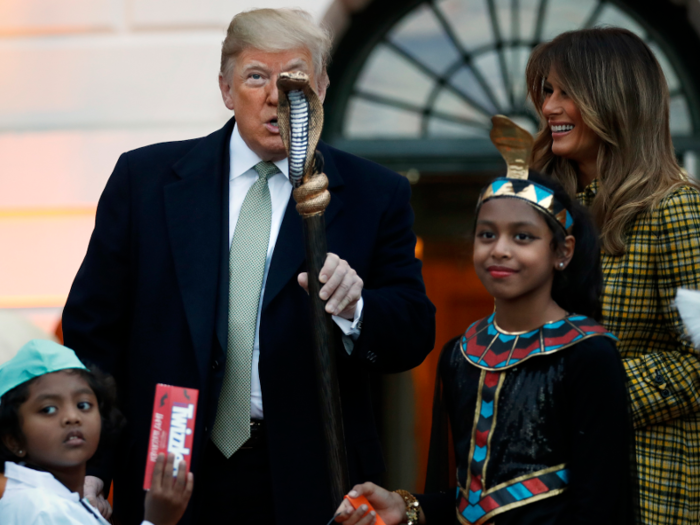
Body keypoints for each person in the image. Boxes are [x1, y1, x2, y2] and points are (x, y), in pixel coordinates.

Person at [62, 7, 436, 525]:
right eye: (256, 77)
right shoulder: (143, 179)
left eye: (295, 80)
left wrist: (358, 308)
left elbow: (413, 333)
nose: (274, 98)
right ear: (225, 87)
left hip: (309, 482)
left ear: (323, 87)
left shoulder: (375, 193)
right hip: (168, 475)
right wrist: (92, 465)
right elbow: (93, 335)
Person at [334, 134, 634, 525]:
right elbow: (463, 500)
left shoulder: (588, 354)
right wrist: (408, 507)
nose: (500, 249)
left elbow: (604, 505)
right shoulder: (460, 354)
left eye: (522, 236)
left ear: (563, 251)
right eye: (487, 234)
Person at [526, 27, 700, 524]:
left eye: (566, 92)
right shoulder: (544, 206)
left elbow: (698, 359)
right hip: (551, 475)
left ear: (614, 99)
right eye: (547, 92)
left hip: (645, 479)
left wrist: (585, 391)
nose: (549, 109)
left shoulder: (676, 207)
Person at [0, 339, 193, 525]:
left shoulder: (59, 500)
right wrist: (158, 521)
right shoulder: (40, 509)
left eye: (83, 405)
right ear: (13, 439)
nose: (72, 417)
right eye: (48, 409)